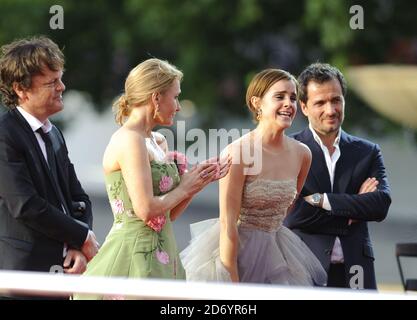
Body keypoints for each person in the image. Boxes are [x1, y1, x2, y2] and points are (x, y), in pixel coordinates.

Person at [72, 58, 231, 300]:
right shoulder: (129, 140)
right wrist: (185, 186)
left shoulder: (158, 141)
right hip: (132, 256)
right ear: (156, 97)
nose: (178, 106)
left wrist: (197, 182)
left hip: (163, 252)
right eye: (175, 97)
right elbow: (146, 209)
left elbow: (168, 214)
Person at [180, 69, 327, 286]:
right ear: (257, 103)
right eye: (280, 97)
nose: (289, 103)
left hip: (279, 253)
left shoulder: (303, 154)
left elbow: (287, 208)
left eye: (293, 98)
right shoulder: (238, 152)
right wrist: (232, 281)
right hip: (237, 253)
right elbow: (227, 222)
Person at [0, 36, 99, 297]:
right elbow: (25, 205)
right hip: (21, 278)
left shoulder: (53, 133)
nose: (62, 87)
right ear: (21, 89)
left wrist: (79, 243)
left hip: (61, 273)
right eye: (52, 82)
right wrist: (82, 237)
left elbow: (77, 197)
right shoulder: (4, 134)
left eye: (61, 78)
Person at [284, 63, 392, 289]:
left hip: (357, 273)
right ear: (303, 106)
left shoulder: (368, 151)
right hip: (305, 272)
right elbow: (296, 214)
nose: (331, 110)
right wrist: (354, 210)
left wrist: (322, 200)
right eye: (320, 103)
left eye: (336, 100)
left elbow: (380, 205)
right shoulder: (289, 149)